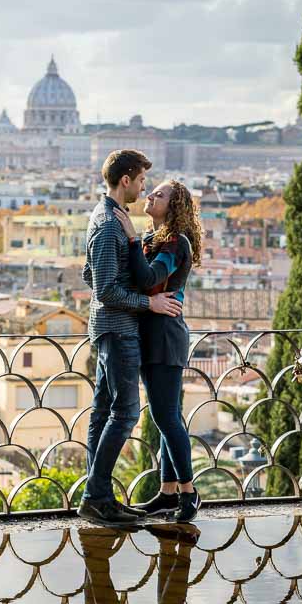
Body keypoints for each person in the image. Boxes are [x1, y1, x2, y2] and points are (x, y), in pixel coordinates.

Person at [78, 151, 184, 528]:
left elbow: (88, 275)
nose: (143, 188)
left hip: (109, 326)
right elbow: (105, 288)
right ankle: (96, 497)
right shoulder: (109, 225)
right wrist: (147, 302)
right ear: (126, 180)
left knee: (103, 411)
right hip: (118, 329)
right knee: (125, 413)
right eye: (141, 181)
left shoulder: (103, 216)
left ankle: (99, 496)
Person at [113, 180, 202, 523]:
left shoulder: (176, 242)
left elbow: (151, 280)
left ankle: (189, 492)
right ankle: (167, 494)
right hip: (152, 336)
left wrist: (133, 239)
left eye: (160, 194)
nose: (151, 195)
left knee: (166, 417)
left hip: (165, 337)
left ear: (175, 206)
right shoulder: (156, 240)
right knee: (165, 417)